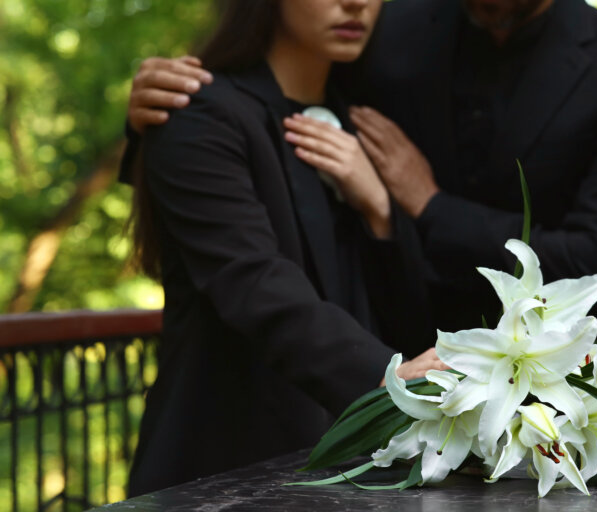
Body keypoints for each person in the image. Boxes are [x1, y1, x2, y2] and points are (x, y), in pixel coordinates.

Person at [124, 0, 597, 336]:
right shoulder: (383, 25)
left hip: (549, 391)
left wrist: (429, 206)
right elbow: (275, 102)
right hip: (375, 378)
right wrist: (166, 113)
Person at [127, 0, 445, 496]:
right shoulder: (199, 112)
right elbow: (250, 278)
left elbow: (396, 303)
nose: (356, 3)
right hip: (225, 467)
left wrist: (380, 210)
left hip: (353, 472)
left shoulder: (366, 124)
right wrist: (381, 377)